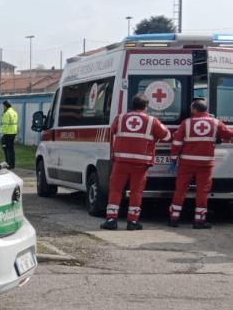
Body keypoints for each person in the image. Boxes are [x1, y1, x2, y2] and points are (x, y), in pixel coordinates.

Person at [100, 94, 171, 231]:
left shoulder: (120, 118)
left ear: (132, 105)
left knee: (115, 190)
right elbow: (167, 136)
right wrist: (154, 139)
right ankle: (132, 222)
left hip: (121, 161)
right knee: (136, 192)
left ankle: (111, 220)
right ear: (146, 106)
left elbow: (111, 133)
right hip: (141, 163)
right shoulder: (152, 121)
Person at [168, 98, 233, 229]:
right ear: (206, 110)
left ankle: (174, 218)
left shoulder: (186, 123)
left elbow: (177, 143)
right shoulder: (215, 122)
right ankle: (199, 221)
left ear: (195, 109)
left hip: (187, 163)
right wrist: (219, 137)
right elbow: (229, 134)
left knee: (180, 190)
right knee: (202, 191)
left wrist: (174, 159)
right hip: (205, 164)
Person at [0, 100, 19, 168]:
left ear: (5, 106)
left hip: (7, 133)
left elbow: (5, 124)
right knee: (11, 150)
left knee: (6, 149)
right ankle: (12, 164)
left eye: (3, 106)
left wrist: (2, 133)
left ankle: (8, 164)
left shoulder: (7, 113)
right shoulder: (14, 112)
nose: (3, 107)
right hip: (13, 133)